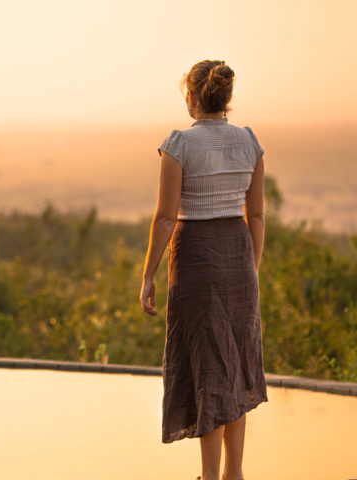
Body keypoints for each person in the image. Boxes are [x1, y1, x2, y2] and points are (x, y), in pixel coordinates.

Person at [140, 59, 268, 480]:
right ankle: (235, 474)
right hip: (238, 257)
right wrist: (250, 269)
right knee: (236, 368)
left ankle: (211, 478)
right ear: (226, 99)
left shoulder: (179, 145)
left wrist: (148, 276)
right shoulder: (249, 142)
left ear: (192, 98)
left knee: (210, 369)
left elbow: (164, 218)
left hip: (195, 257)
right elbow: (258, 216)